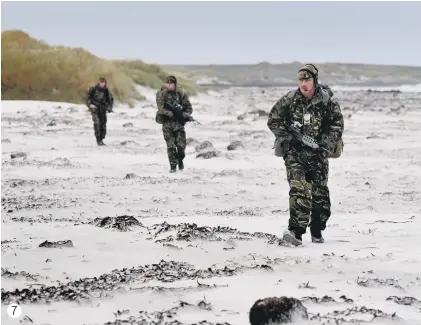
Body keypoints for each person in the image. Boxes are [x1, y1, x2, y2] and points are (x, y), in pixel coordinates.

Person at [267, 64, 344, 246]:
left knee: (319, 194)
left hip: (318, 154)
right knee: (299, 190)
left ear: (315, 81)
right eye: (301, 80)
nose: (303, 84)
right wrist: (288, 138)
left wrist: (325, 143)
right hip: (295, 154)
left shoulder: (327, 101)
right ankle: (296, 231)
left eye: (307, 80)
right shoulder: (290, 99)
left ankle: (317, 229)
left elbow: (337, 125)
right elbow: (273, 119)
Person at [156, 75, 193, 173]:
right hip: (167, 124)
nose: (169, 85)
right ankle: (173, 167)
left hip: (179, 124)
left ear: (175, 84)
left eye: (171, 83)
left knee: (181, 147)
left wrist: (184, 115)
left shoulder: (181, 93)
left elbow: (189, 108)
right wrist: (170, 113)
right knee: (171, 146)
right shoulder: (161, 94)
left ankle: (180, 159)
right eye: (167, 83)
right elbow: (160, 108)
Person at [85, 77, 114, 146]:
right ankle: (98, 140)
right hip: (94, 109)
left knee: (103, 125)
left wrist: (109, 108)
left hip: (103, 109)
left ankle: (101, 138)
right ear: (98, 82)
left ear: (105, 83)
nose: (102, 84)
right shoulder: (93, 89)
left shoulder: (107, 90)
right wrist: (90, 104)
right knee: (97, 123)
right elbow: (86, 97)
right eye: (101, 82)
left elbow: (111, 100)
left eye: (103, 82)